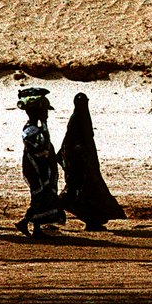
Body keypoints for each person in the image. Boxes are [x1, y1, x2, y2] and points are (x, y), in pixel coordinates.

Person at [59, 92, 126, 231]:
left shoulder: (79, 118)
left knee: (89, 191)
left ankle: (92, 220)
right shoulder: (78, 119)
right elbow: (72, 141)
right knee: (81, 191)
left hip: (85, 162)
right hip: (81, 163)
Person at [15, 87, 65, 237]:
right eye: (44, 112)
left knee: (41, 196)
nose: (46, 114)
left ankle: (33, 227)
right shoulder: (30, 130)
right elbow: (41, 149)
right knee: (39, 196)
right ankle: (26, 222)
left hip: (41, 167)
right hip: (36, 169)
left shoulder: (36, 128)